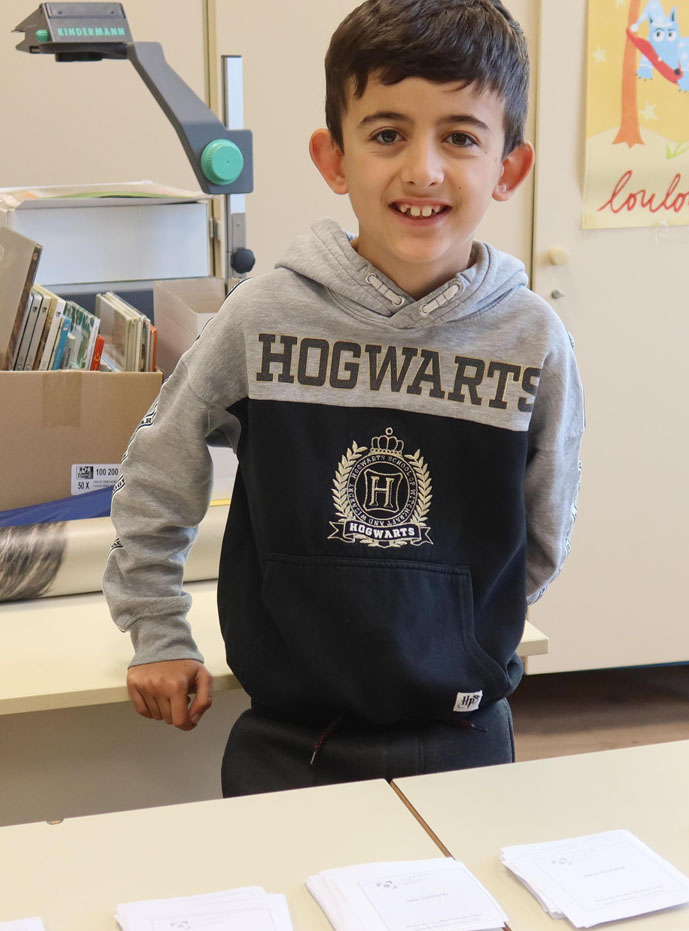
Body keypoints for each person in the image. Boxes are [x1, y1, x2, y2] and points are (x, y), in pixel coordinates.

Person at [103, 0, 584, 795]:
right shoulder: (263, 316)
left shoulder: (534, 340)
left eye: (461, 137)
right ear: (334, 159)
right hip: (286, 735)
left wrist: (454, 625)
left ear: (509, 168)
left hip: (463, 730)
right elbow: (159, 463)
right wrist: (158, 629)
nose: (423, 170)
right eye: (388, 134)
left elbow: (544, 529)